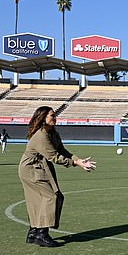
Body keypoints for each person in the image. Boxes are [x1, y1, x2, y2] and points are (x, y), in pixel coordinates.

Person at [18, 106, 96, 247]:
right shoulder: (41, 135)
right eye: (52, 116)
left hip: (38, 167)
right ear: (43, 119)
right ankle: (42, 233)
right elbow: (54, 156)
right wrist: (76, 163)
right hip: (31, 168)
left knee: (38, 200)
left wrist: (79, 161)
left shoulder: (53, 133)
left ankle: (33, 232)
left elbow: (62, 151)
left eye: (55, 115)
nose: (55, 118)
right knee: (51, 197)